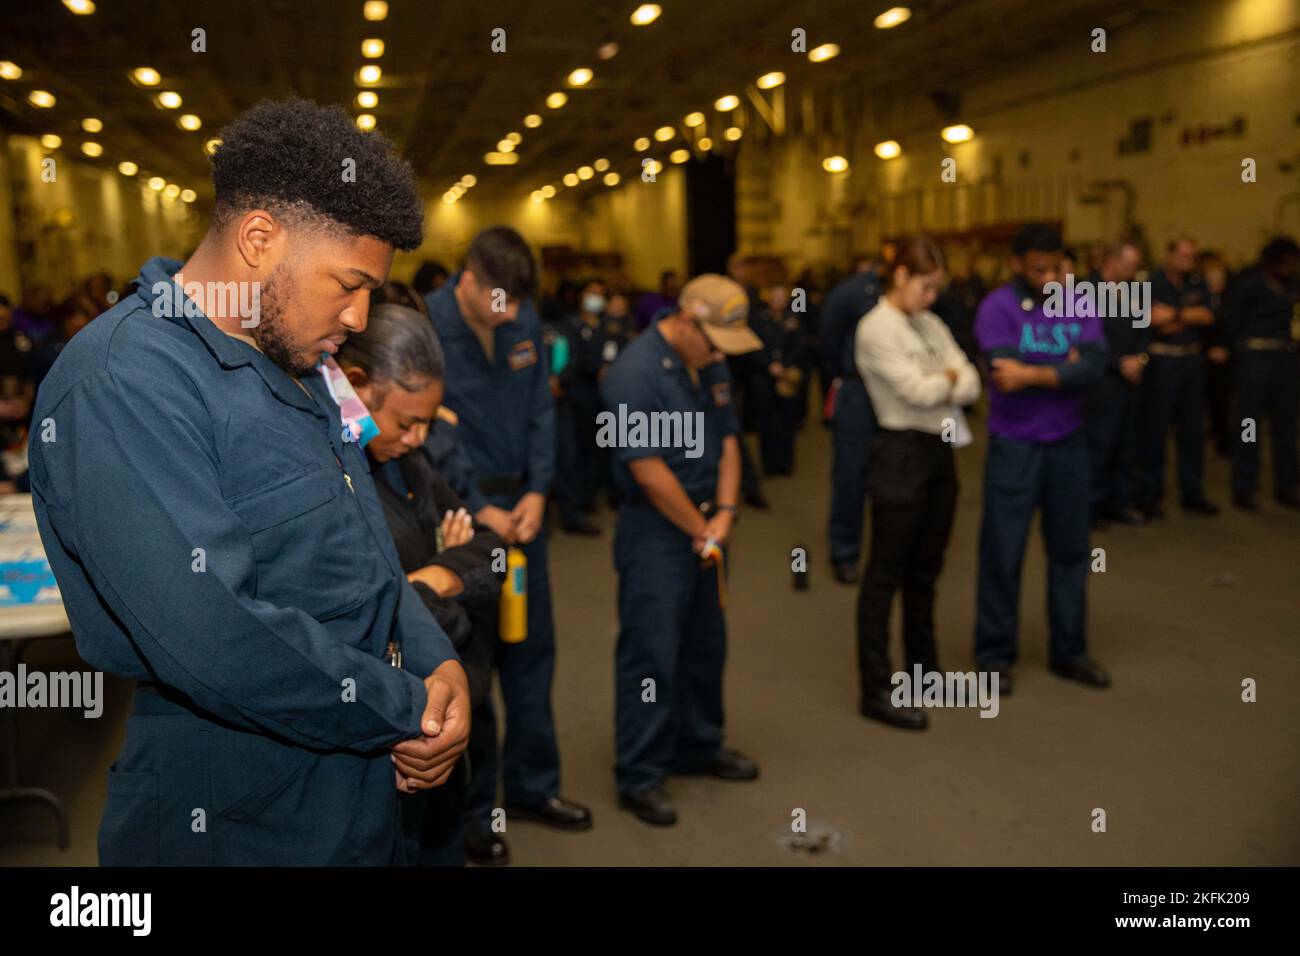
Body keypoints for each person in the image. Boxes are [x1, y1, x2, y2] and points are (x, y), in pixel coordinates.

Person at [28, 97, 470, 865]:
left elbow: (366, 554)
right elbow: (213, 634)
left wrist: (437, 661)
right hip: (242, 810)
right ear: (259, 238)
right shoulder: (124, 381)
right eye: (349, 283)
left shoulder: (300, 360)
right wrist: (406, 709)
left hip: (366, 781)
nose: (362, 316)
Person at [425, 225, 592, 865]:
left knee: (533, 658)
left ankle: (533, 788)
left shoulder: (521, 322)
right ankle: (476, 816)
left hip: (523, 518)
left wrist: (540, 492)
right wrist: (476, 503)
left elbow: (541, 414)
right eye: (504, 302)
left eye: (522, 304)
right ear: (468, 281)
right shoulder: (429, 329)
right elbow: (432, 435)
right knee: (471, 667)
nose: (516, 316)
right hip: (464, 521)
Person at [335, 303, 504, 867]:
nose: (419, 436)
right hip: (394, 749)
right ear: (356, 386)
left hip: (452, 729)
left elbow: (492, 554)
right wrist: (447, 581)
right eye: (407, 421)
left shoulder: (409, 462)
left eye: (429, 420)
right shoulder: (335, 479)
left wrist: (423, 581)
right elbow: (370, 624)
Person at [601, 274, 761, 826]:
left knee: (704, 645)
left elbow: (730, 441)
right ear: (688, 320)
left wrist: (725, 513)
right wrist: (702, 527)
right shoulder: (633, 373)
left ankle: (699, 745)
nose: (720, 355)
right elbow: (646, 470)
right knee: (651, 653)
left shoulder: (709, 362)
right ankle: (641, 773)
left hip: (707, 524)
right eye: (714, 341)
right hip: (657, 532)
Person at [973, 223, 1110, 696]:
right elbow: (1004, 374)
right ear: (1016, 264)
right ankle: (994, 656)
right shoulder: (998, 307)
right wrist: (1061, 370)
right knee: (1003, 551)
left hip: (1069, 444)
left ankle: (1069, 651)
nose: (1050, 277)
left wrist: (1035, 372)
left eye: (1057, 267)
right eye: (1039, 269)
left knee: (1071, 551)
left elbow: (1094, 366)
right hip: (1015, 444)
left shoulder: (1079, 301)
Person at [855, 238, 980, 729]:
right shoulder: (875, 328)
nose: (932, 297)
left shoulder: (931, 322)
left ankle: (924, 674)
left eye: (937, 289)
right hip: (899, 453)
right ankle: (877, 687)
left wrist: (945, 379)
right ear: (901, 275)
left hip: (940, 450)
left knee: (926, 570)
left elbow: (970, 379)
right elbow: (913, 391)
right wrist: (946, 379)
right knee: (885, 574)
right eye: (926, 287)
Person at [1136, 237, 1220, 518]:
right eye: (1183, 256)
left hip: (1192, 362)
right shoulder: (1150, 283)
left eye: (1191, 257)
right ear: (1169, 254)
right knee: (1154, 431)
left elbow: (1207, 316)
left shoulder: (1198, 282)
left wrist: (1174, 314)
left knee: (1192, 431)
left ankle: (1192, 492)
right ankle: (1150, 495)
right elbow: (1146, 319)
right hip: (1162, 362)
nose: (1188, 262)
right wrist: (1186, 317)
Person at [820, 254, 885, 583]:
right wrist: (843, 380)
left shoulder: (921, 298)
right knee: (851, 474)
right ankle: (845, 551)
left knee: (896, 475)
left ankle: (889, 552)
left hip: (897, 393)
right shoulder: (850, 294)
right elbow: (828, 341)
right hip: (857, 391)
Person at [1226, 237, 1300, 510]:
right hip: (1255, 360)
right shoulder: (1249, 284)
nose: (1287, 268)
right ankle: (1245, 486)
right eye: (1282, 262)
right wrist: (1241, 356)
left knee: (1287, 426)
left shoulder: (1293, 285)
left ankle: (1287, 483)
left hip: (1285, 360)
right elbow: (1231, 322)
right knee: (1249, 427)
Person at [1084, 241, 1147, 528]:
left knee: (1126, 444)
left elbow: (1143, 331)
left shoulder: (1135, 292)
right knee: (1099, 445)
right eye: (1129, 266)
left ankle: (1119, 502)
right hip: (1102, 381)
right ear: (1113, 262)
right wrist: (1118, 361)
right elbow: (1087, 338)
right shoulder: (1086, 292)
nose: (1134, 272)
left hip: (1130, 381)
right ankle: (1091, 506)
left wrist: (1139, 359)